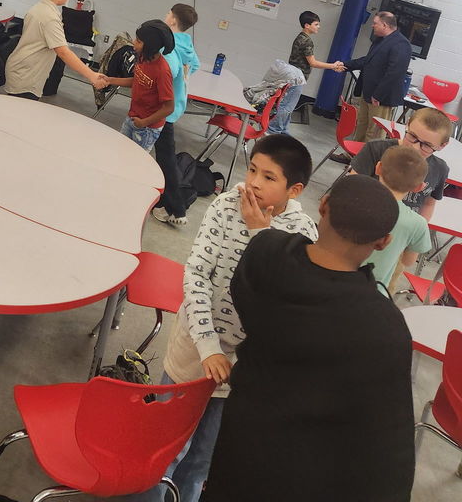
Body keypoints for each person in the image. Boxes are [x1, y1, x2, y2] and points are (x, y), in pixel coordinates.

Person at [202, 175, 415, 502]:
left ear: (323, 205)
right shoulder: (384, 326)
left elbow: (250, 282)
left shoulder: (265, 253)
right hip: (309, 474)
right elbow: (389, 443)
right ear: (383, 242)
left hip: (242, 443)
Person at [135, 136, 317, 502]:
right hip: (195, 347)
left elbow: (283, 301)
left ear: (294, 190)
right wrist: (208, 346)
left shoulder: (303, 234)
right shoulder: (225, 205)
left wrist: (259, 233)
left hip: (242, 366)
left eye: (268, 177)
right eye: (252, 170)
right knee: (167, 448)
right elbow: (196, 275)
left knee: (204, 458)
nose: (254, 183)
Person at [4, 0, 105, 99]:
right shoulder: (50, 17)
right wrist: (92, 75)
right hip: (26, 75)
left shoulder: (39, 7)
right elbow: (63, 52)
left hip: (22, 69)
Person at [350, 106, 451, 222]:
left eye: (427, 145)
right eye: (412, 136)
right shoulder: (375, 149)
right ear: (407, 124)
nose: (415, 147)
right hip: (365, 220)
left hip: (404, 227)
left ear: (442, 145)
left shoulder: (440, 169)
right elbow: (352, 187)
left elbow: (429, 204)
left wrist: (420, 226)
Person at [151, 4, 200, 225]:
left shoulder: (167, 45)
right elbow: (194, 65)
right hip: (176, 104)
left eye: (168, 13)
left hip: (162, 106)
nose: (166, 16)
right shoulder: (187, 43)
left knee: (166, 159)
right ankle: (172, 205)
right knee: (164, 155)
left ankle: (175, 208)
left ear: (173, 20)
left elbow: (161, 71)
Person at [360, 145, 431, 295]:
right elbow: (408, 261)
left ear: (378, 168)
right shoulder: (417, 223)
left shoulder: (355, 199)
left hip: (335, 279)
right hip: (374, 293)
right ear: (419, 187)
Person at [340, 10, 412, 142]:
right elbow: (368, 60)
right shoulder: (380, 40)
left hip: (380, 98)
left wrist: (378, 95)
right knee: (361, 126)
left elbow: (394, 73)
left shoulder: (401, 44)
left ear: (385, 25)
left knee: (375, 132)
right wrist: (345, 65)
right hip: (368, 93)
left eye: (375, 23)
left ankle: (368, 155)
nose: (372, 26)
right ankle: (354, 152)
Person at [103, 22, 174, 152]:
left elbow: (169, 108)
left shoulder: (162, 71)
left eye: (139, 41)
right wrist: (110, 80)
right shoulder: (142, 57)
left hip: (147, 128)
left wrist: (144, 122)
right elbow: (137, 80)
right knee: (120, 151)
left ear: (150, 47)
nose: (134, 43)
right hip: (133, 117)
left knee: (135, 159)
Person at [268, 10, 342, 134]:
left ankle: (283, 130)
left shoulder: (300, 37)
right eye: (316, 24)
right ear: (307, 25)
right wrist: (333, 66)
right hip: (297, 77)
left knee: (289, 104)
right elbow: (313, 63)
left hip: (292, 76)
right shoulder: (307, 41)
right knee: (287, 105)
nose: (319, 27)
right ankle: (274, 129)